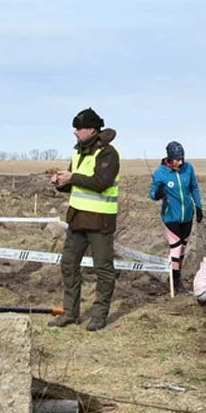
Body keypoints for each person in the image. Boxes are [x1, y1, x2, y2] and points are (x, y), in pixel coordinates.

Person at [48, 108, 120, 332]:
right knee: (68, 264)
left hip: (100, 221)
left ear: (91, 129)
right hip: (78, 219)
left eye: (78, 128)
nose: (75, 132)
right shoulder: (77, 153)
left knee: (103, 269)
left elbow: (102, 182)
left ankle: (99, 314)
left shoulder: (108, 153)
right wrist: (61, 182)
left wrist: (73, 177)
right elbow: (75, 185)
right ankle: (70, 312)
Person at [149, 141, 203, 293]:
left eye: (182, 158)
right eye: (177, 159)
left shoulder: (188, 168)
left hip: (187, 216)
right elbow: (152, 194)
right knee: (176, 248)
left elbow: (194, 187)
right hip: (171, 217)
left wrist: (198, 207)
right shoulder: (160, 173)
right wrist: (158, 193)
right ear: (169, 159)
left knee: (183, 249)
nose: (180, 162)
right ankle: (175, 281)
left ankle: (175, 276)